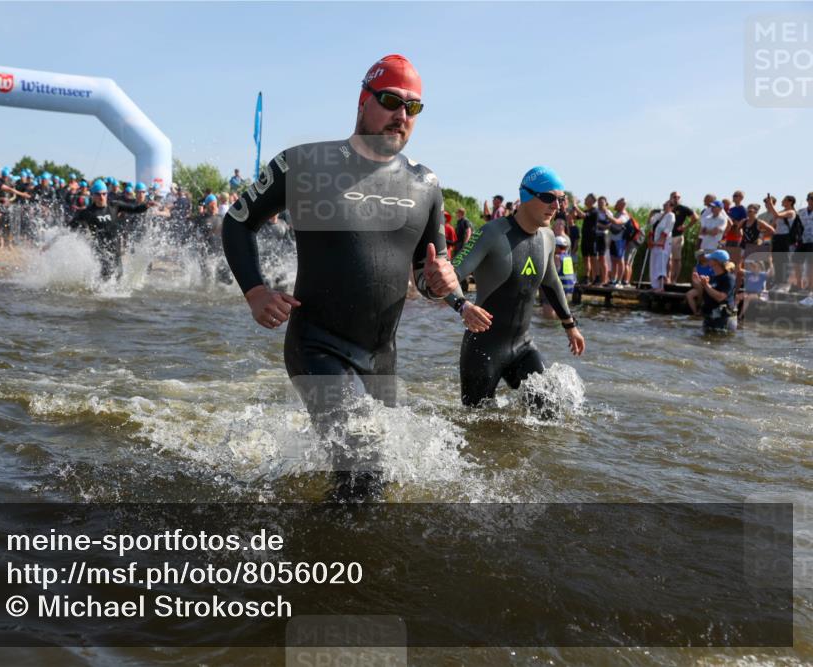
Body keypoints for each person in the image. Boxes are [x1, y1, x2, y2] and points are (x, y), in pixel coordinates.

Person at [221, 53, 460, 501]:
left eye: (413, 107)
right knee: (364, 470)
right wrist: (255, 291)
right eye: (391, 101)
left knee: (373, 479)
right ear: (363, 101)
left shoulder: (425, 184)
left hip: (382, 357)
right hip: (317, 344)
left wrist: (440, 283)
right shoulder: (305, 163)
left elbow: (428, 275)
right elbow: (237, 222)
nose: (402, 114)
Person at [449, 166, 584, 411]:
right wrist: (462, 305)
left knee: (548, 409)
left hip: (523, 346)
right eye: (549, 197)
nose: (556, 206)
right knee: (476, 423)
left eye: (561, 199)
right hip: (484, 348)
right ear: (526, 196)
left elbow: (551, 282)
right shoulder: (491, 233)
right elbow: (449, 276)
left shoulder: (548, 238)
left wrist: (570, 325)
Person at [63, 179, 149, 279]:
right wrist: (54, 240)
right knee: (106, 276)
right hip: (101, 250)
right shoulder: (87, 212)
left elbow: (134, 209)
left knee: (119, 276)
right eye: (98, 194)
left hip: (116, 250)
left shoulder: (114, 206)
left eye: (104, 194)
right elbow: (69, 228)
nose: (101, 197)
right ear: (93, 195)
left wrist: (146, 206)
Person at [691, 249, 737, 332]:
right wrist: (699, 283)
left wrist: (706, 285)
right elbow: (708, 292)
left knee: (719, 339)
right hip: (710, 316)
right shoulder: (713, 277)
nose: (708, 260)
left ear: (716, 262)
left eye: (710, 258)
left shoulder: (729, 278)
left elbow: (720, 297)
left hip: (723, 318)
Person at [764, 194, 797, 290]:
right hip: (777, 237)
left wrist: (771, 204)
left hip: (785, 237)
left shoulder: (791, 212)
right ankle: (778, 280)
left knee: (784, 258)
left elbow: (777, 215)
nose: (782, 202)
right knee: (776, 259)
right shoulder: (780, 212)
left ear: (790, 202)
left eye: (784, 200)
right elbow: (773, 225)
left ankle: (785, 281)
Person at [667, 191, 699, 283]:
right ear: (670, 198)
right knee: (667, 259)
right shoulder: (667, 207)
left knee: (676, 259)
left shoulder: (683, 208)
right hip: (666, 237)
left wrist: (686, 227)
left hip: (677, 236)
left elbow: (696, 217)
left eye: (678, 197)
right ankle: (667, 279)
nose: (676, 199)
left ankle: (674, 280)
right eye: (674, 197)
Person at [648, 201, 675, 292]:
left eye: (666, 204)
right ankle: (654, 285)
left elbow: (668, 229)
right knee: (654, 263)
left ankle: (661, 286)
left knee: (661, 264)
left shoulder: (671, 215)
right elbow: (650, 224)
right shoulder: (659, 215)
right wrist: (651, 214)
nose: (664, 205)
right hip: (654, 242)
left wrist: (660, 241)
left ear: (671, 207)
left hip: (664, 243)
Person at [578, 193, 597, 284]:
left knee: (593, 258)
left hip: (592, 238)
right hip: (585, 237)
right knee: (586, 258)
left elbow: (583, 215)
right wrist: (574, 207)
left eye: (587, 198)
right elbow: (576, 216)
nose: (585, 199)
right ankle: (586, 277)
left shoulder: (594, 211)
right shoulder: (586, 210)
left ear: (592, 201)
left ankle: (596, 278)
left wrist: (575, 206)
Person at [796, 192, 813, 292]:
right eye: (811, 198)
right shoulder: (801, 212)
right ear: (807, 200)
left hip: (812, 242)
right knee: (796, 263)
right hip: (801, 241)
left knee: (811, 265)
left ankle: (810, 288)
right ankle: (799, 286)